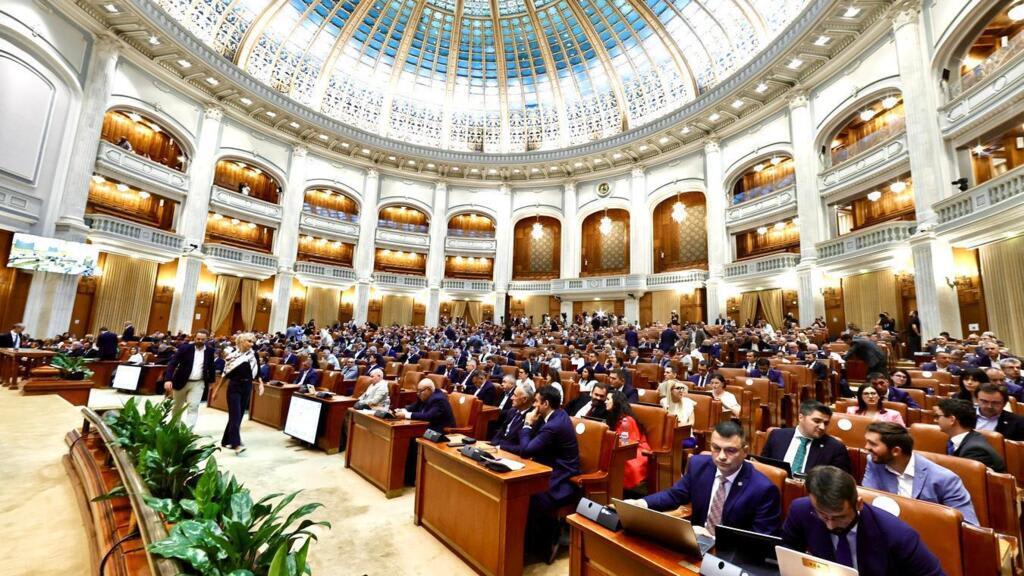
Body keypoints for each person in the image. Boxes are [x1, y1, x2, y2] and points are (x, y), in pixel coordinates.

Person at [627, 421, 781, 536]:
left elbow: (761, 539)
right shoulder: (698, 466)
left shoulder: (764, 489)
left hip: (732, 556)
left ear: (745, 451)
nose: (721, 457)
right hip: (696, 543)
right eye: (716, 448)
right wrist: (641, 503)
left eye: (730, 450)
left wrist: (715, 539)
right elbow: (674, 495)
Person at [781, 466, 942, 574]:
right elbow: (787, 552)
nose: (830, 525)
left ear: (859, 504)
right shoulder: (801, 510)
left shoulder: (898, 535)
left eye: (840, 517)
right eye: (823, 515)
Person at [862, 422, 978, 525]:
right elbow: (868, 501)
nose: (866, 447)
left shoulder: (945, 479)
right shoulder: (874, 462)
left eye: (873, 444)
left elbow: (968, 525)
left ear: (896, 451)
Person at [518, 386, 581, 563]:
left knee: (528, 495)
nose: (533, 406)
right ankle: (526, 543)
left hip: (562, 479)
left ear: (545, 404)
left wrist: (527, 424)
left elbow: (526, 450)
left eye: (536, 402)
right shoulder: (556, 415)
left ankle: (532, 548)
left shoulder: (554, 425)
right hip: (549, 468)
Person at [761, 401, 851, 474]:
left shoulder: (835, 448)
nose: (822, 427)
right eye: (817, 421)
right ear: (801, 417)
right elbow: (763, 466)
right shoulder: (777, 436)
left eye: (826, 423)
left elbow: (839, 483)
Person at [213, 333, 265, 454]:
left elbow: (257, 371)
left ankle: (226, 440)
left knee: (239, 414)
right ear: (241, 341)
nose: (252, 344)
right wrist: (216, 390)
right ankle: (236, 444)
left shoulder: (254, 355)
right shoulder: (232, 356)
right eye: (249, 341)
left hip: (247, 386)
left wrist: (261, 383)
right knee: (235, 414)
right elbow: (225, 374)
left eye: (253, 342)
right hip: (234, 386)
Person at [162, 329, 216, 429]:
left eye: (203, 339)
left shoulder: (210, 351)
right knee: (177, 407)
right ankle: (175, 428)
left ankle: (187, 432)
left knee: (193, 407)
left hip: (198, 383)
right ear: (194, 338)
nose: (200, 341)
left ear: (207, 339)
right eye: (198, 339)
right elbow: (172, 363)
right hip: (181, 381)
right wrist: (168, 379)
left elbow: (211, 366)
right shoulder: (184, 348)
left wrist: (212, 381)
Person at [934, 398, 1006, 472]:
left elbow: (970, 480)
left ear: (952, 420)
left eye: (937, 416)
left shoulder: (975, 451)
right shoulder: (955, 440)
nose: (935, 420)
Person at [606, 390, 650, 491]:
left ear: (616, 403)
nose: (605, 401)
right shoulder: (614, 416)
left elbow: (625, 444)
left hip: (635, 453)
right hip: (623, 449)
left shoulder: (626, 421)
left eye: (608, 399)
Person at [490, 383, 534, 454]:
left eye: (515, 395)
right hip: (497, 449)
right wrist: (493, 445)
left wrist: (500, 447)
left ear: (524, 399)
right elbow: (501, 431)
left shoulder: (532, 417)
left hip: (512, 454)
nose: (511, 398)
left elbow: (522, 446)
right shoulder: (512, 411)